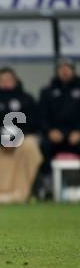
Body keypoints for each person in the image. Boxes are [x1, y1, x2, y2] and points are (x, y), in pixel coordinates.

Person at [39, 59, 80, 197]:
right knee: (43, 146)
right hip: (54, 135)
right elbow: (41, 116)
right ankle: (48, 186)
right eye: (61, 67)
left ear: (73, 70)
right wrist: (50, 131)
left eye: (67, 67)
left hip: (76, 135)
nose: (64, 71)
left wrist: (78, 132)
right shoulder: (47, 91)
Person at [0, 67, 38, 146]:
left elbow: (31, 123)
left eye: (8, 80)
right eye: (2, 80)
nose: (5, 83)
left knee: (31, 142)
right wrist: (2, 140)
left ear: (15, 80)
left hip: (23, 137)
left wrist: (16, 138)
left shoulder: (27, 99)